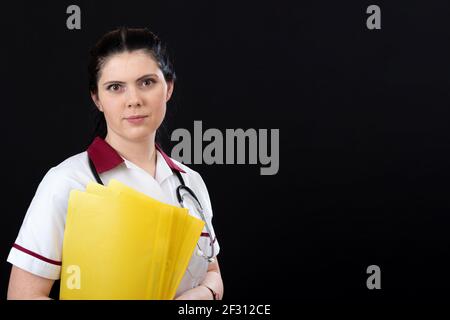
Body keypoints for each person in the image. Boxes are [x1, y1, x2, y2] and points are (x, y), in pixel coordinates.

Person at [6, 27, 223, 300]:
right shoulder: (67, 181)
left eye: (147, 82)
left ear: (168, 87)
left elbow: (212, 271)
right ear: (97, 98)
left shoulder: (190, 182)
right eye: (115, 87)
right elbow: (22, 296)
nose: (133, 100)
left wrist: (202, 295)